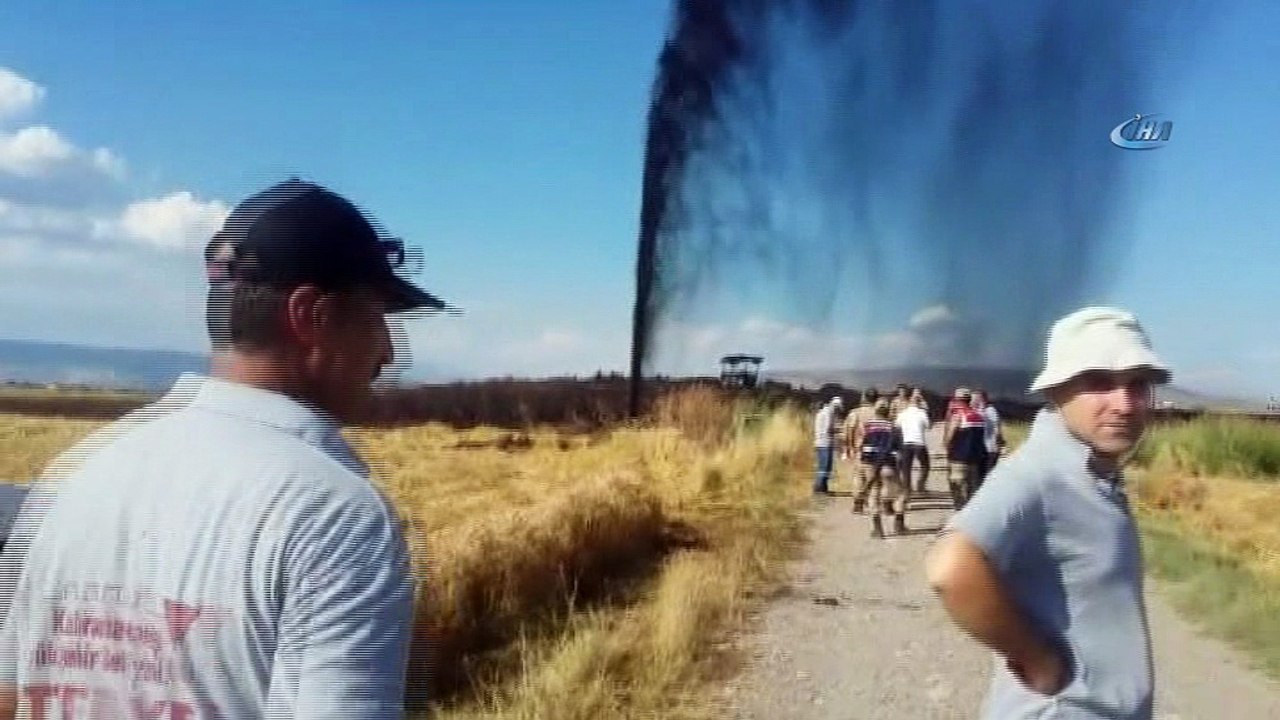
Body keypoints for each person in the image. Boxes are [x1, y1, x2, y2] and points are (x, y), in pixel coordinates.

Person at [0, 179, 450, 719]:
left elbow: (13, 695)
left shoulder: (83, 468)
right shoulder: (337, 514)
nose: (387, 351)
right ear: (312, 316)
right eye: (378, 317)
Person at [925, 306, 1172, 720]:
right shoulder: (1038, 475)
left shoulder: (1091, 473)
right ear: (1056, 390)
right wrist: (1038, 660)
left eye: (1138, 385)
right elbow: (950, 568)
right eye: (1099, 382)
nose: (1125, 403)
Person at [855, 399, 906, 538]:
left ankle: (878, 529)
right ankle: (899, 524)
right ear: (888, 411)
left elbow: (859, 445)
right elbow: (900, 453)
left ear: (875, 410)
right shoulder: (895, 427)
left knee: (873, 494)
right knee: (901, 493)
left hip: (869, 463)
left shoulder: (866, 425)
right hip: (888, 464)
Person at [943, 387, 987, 510]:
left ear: (957, 400)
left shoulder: (958, 416)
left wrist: (947, 448)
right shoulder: (979, 416)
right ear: (969, 400)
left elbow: (950, 437)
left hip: (958, 459)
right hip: (974, 459)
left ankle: (960, 512)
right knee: (972, 490)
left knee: (956, 487)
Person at [844, 388, 880, 513]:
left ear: (864, 397)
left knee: (858, 476)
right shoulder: (879, 412)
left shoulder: (855, 413)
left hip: (859, 449)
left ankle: (857, 503)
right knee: (873, 479)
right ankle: (872, 504)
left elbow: (849, 431)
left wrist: (849, 448)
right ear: (876, 398)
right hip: (875, 450)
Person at [895, 391, 932, 494]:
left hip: (906, 443)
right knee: (925, 466)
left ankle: (907, 489)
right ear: (919, 402)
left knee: (906, 468)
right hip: (919, 443)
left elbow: (897, 426)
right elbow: (928, 426)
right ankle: (920, 486)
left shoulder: (902, 413)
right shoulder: (922, 413)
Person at [812, 395, 843, 495]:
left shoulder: (823, 412)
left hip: (821, 442)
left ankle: (822, 488)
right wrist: (840, 430)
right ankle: (820, 488)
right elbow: (828, 429)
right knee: (824, 467)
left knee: (824, 466)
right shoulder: (828, 413)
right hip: (825, 443)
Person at [972, 389, 1004, 481]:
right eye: (973, 399)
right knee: (979, 475)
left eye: (977, 399)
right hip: (979, 450)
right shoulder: (974, 412)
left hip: (990, 449)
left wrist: (998, 443)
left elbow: (997, 427)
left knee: (987, 475)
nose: (974, 401)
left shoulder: (990, 411)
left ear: (984, 399)